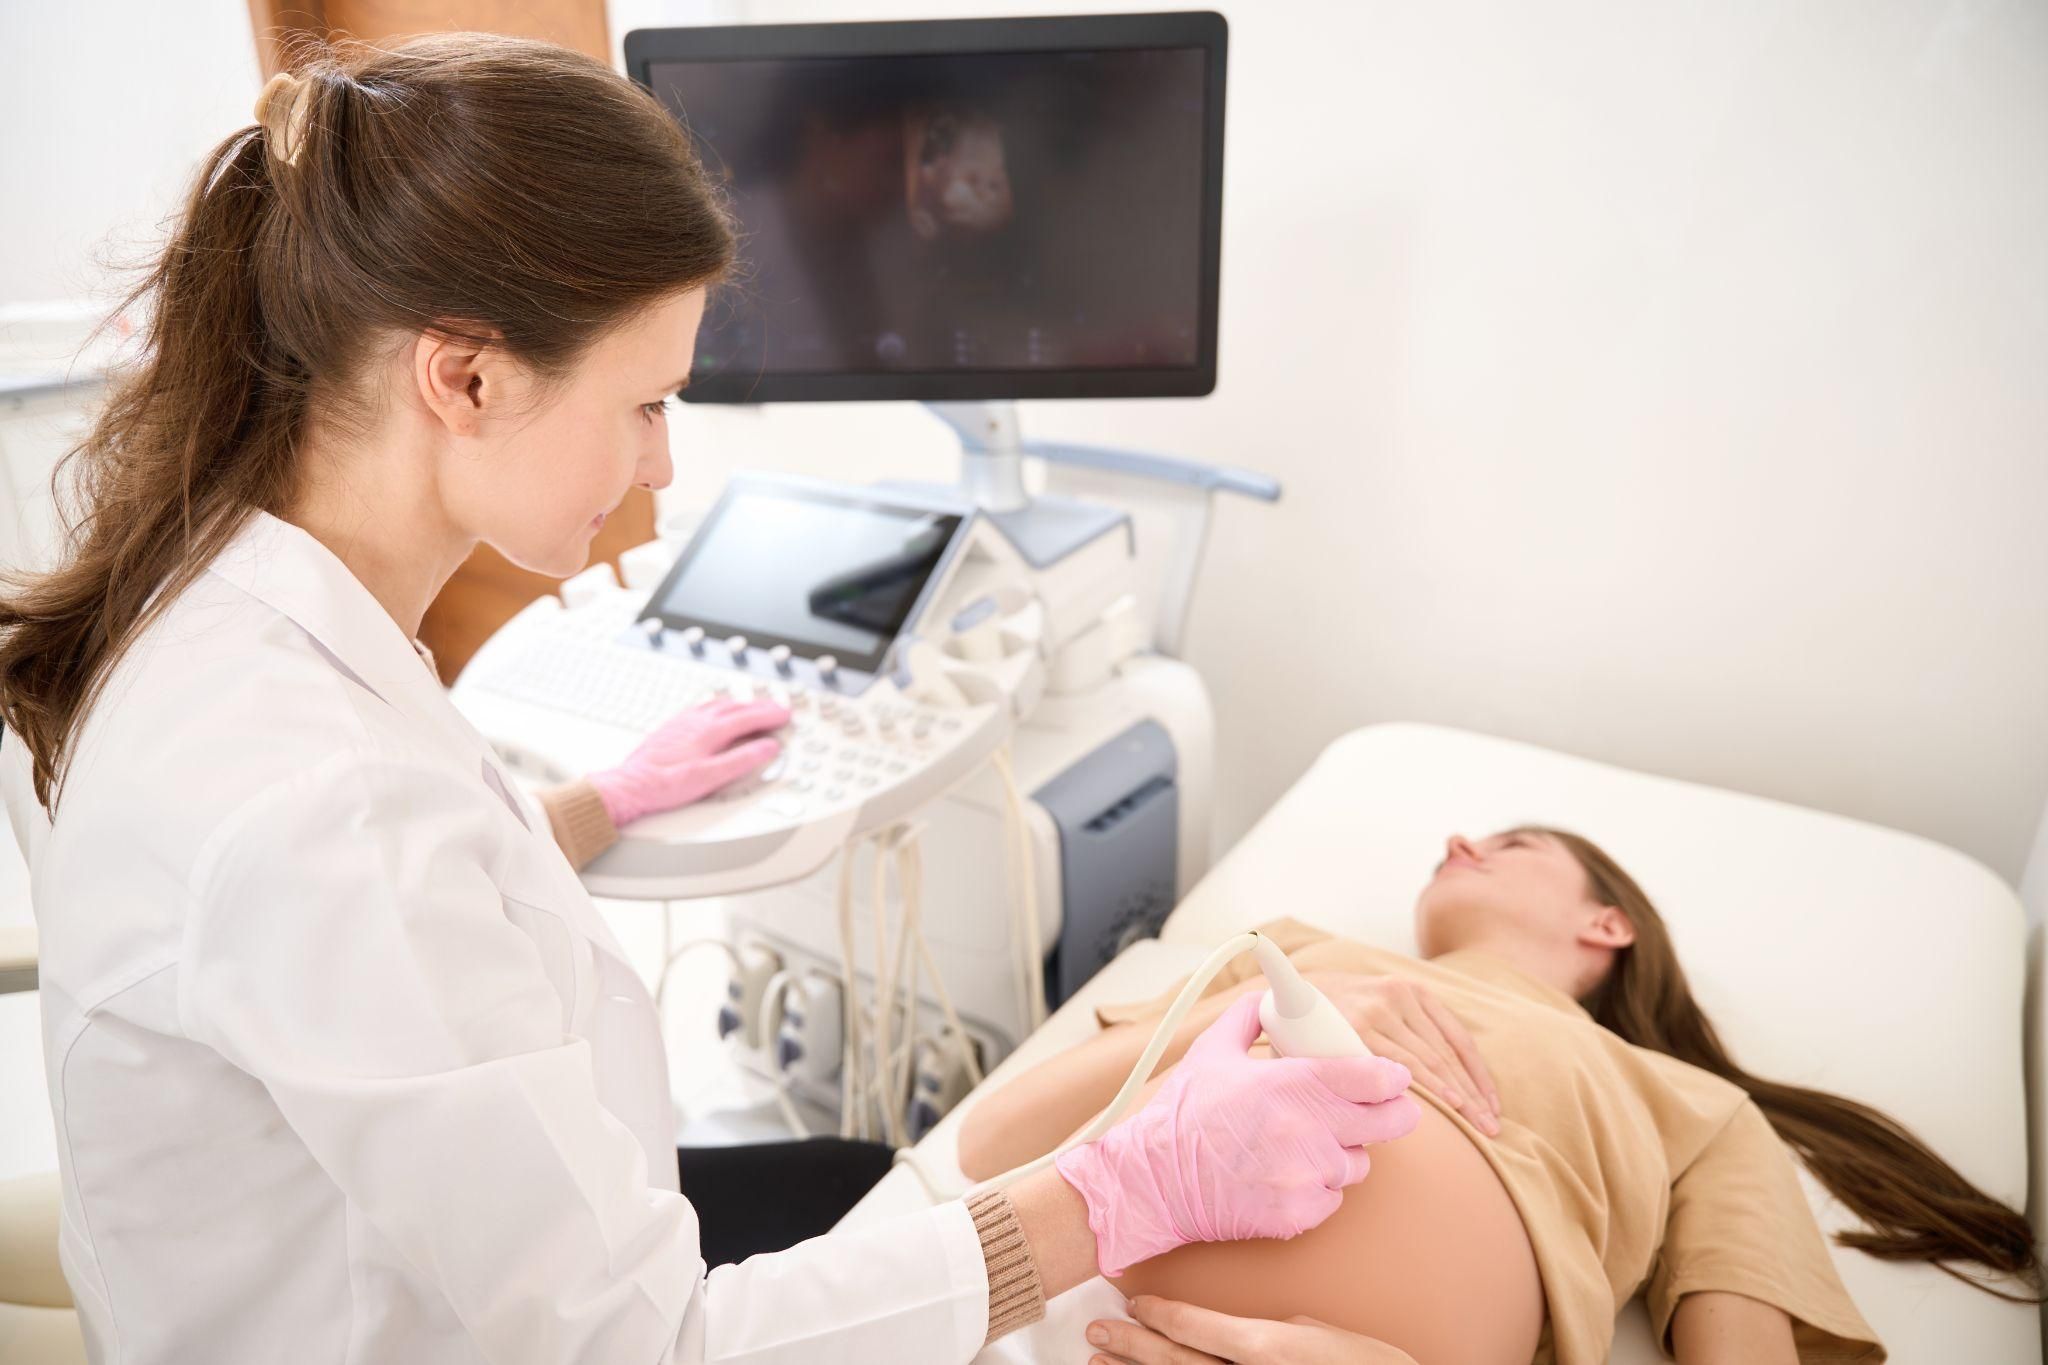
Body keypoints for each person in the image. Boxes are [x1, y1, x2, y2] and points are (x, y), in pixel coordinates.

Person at [0, 35, 1420, 1364]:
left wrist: (586, 805)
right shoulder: (315, 797)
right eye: (644, 403)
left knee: (864, 1179)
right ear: (468, 375)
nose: (661, 464)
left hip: (412, 1248)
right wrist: (1124, 1187)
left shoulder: (240, 599)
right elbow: (650, 1343)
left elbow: (357, 933)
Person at [958, 826, 2045, 1364]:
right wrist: (1290, 994)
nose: (1456, 841)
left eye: (1512, 842)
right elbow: (992, 1142)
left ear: (1606, 925)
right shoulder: (1295, 951)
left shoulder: (1687, 1103)